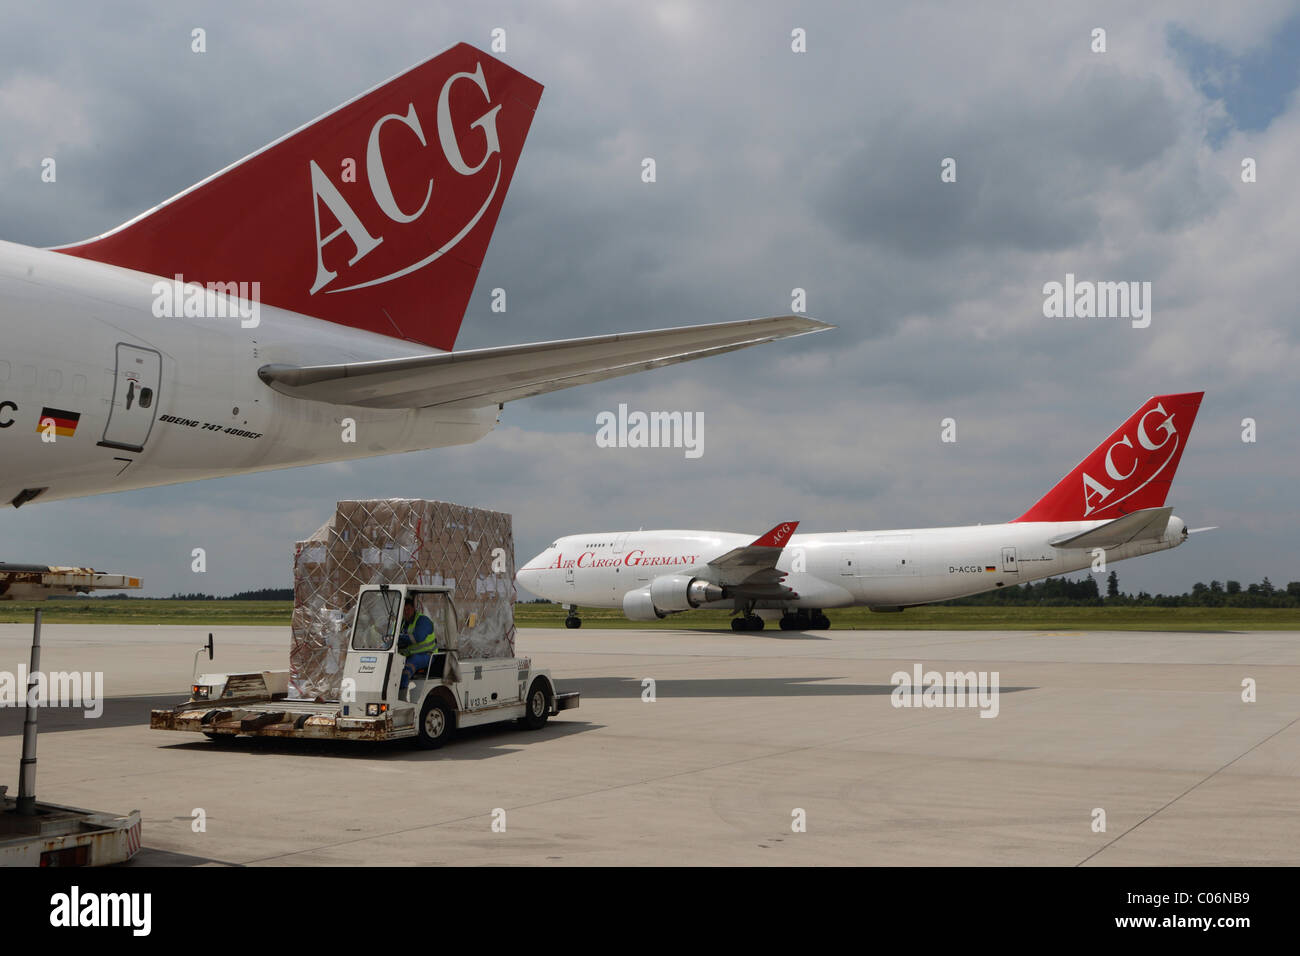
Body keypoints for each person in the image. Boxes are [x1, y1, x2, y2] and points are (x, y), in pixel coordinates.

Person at [397, 596, 438, 695]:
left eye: (408, 609)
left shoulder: (423, 621)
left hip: (426, 655)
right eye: (404, 610)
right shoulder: (402, 622)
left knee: (407, 667)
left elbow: (417, 638)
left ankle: (401, 694)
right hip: (409, 654)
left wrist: (399, 638)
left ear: (413, 609)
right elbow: (393, 635)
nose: (406, 612)